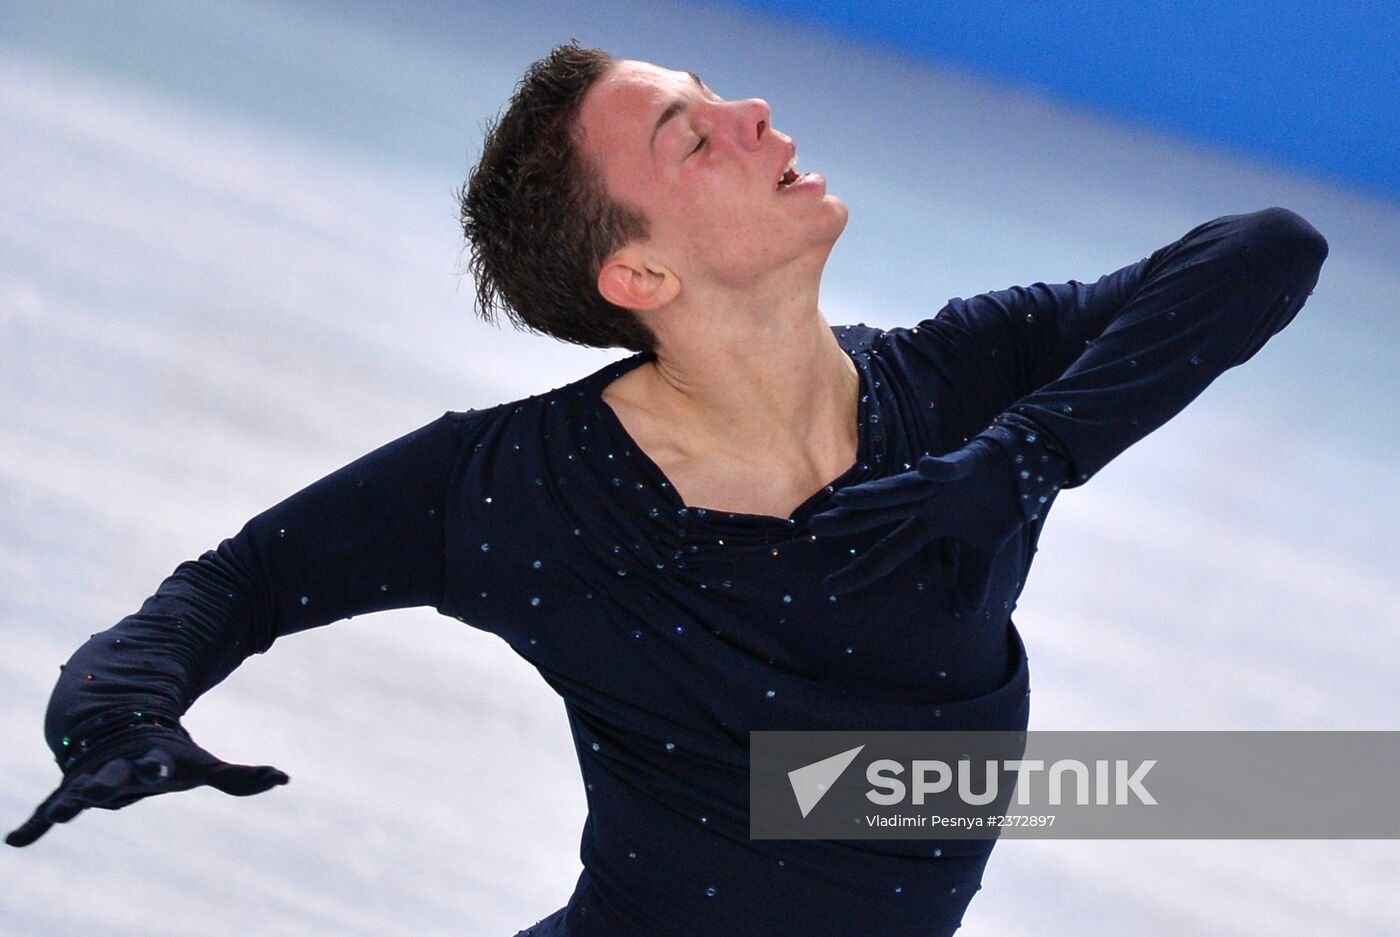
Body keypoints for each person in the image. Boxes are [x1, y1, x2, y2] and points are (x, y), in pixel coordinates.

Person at [6, 41, 1329, 937]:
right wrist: (113, 710)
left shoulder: (956, 388)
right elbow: (235, 584)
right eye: (690, 140)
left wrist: (1027, 455)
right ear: (638, 278)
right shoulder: (523, 487)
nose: (750, 116)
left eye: (715, 98)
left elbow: (1264, 250)